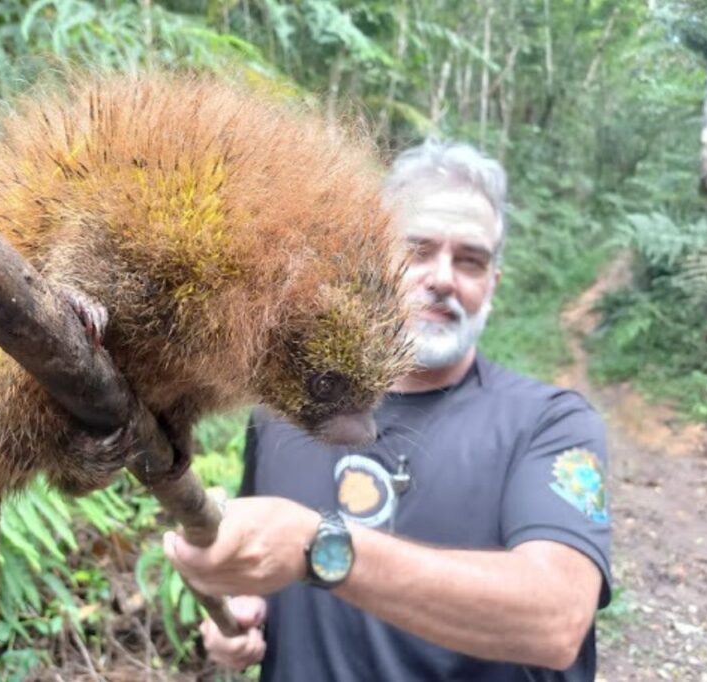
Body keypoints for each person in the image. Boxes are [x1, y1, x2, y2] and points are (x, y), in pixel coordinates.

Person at [163, 140, 612, 681]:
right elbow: (269, 575)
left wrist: (318, 547)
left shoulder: (550, 424)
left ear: (492, 283)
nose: (442, 278)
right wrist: (241, 614)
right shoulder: (282, 411)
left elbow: (557, 621)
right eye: (417, 249)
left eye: (470, 260)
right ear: (371, 258)